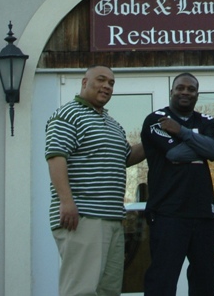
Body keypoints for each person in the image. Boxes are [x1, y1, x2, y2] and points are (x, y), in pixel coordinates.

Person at [45, 65, 145, 296]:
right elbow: (56, 157)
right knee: (81, 290)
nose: (107, 86)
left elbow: (127, 157)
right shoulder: (67, 115)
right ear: (84, 82)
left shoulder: (112, 124)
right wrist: (66, 202)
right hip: (83, 218)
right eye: (101, 80)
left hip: (112, 219)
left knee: (108, 291)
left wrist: (155, 138)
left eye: (111, 83)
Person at [141, 72, 214, 296]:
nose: (185, 92)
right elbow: (175, 153)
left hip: (203, 215)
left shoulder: (206, 121)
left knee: (205, 281)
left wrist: (181, 131)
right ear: (171, 92)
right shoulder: (155, 119)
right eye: (180, 88)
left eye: (191, 89)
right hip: (168, 213)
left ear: (197, 94)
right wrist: (200, 145)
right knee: (162, 282)